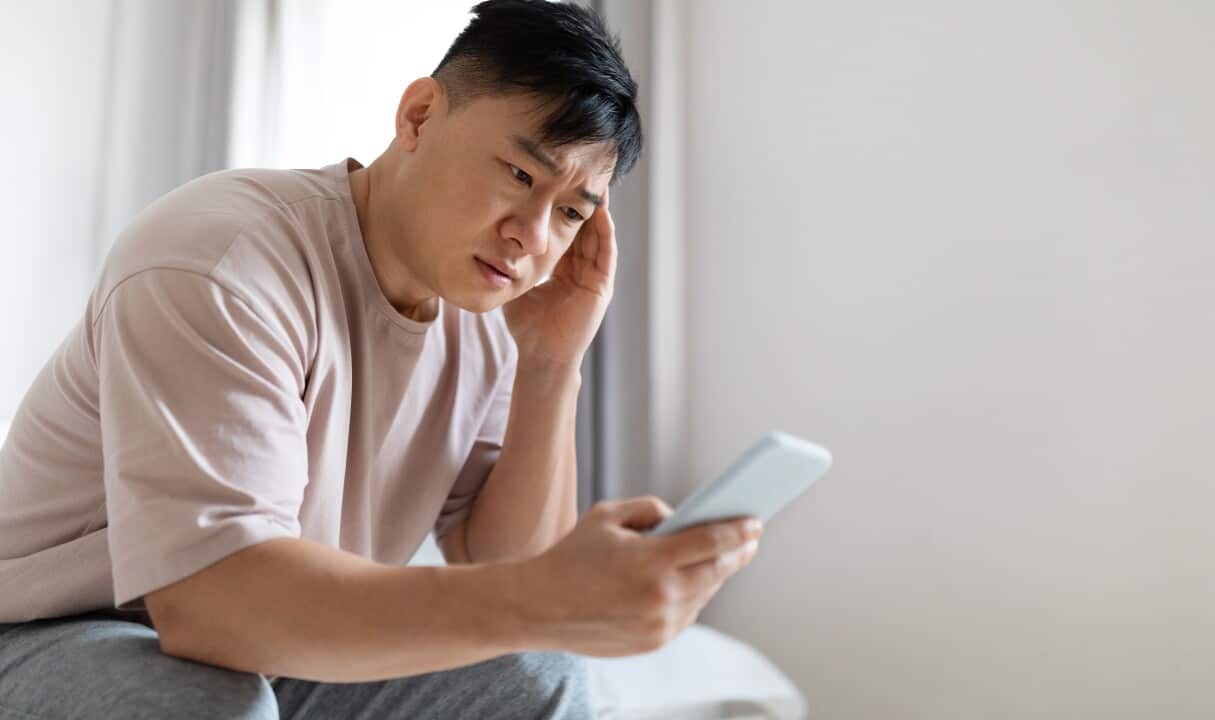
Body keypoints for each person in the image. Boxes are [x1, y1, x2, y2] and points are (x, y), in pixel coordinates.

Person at [0, 1, 762, 717]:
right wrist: (552, 596)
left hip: (268, 642)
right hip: (58, 630)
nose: (531, 235)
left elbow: (504, 563)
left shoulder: (481, 311)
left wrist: (550, 362)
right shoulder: (220, 258)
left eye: (568, 212)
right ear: (420, 116)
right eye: (521, 175)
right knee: (200, 708)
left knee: (539, 678)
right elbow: (208, 602)